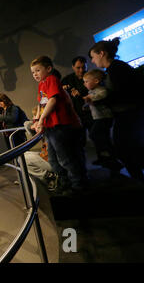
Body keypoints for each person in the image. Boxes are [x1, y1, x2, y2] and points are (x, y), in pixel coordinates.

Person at [88, 38, 144, 182]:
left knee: (127, 151)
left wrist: (98, 101)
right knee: (132, 151)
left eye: (93, 57)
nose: (93, 61)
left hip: (130, 116)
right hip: (130, 116)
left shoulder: (116, 69)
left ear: (101, 53)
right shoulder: (115, 68)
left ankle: (138, 182)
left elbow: (122, 94)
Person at [30, 55, 87, 195]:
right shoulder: (41, 84)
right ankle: (64, 182)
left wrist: (41, 119)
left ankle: (78, 184)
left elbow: (52, 101)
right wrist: (37, 120)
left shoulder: (51, 80)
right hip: (50, 128)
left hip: (59, 126)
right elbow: (41, 104)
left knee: (65, 158)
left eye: (38, 70)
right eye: (33, 72)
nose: (35, 74)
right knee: (53, 159)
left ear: (49, 69)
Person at [82, 69, 123, 170]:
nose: (84, 84)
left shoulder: (101, 89)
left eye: (87, 81)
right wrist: (87, 105)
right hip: (98, 117)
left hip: (105, 117)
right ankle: (106, 156)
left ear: (96, 81)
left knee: (94, 134)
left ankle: (113, 155)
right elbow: (91, 101)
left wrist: (90, 99)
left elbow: (102, 95)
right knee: (101, 137)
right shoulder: (91, 91)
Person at [61, 56, 93, 146]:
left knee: (97, 137)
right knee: (80, 140)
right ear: (73, 67)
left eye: (83, 67)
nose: (81, 70)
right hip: (77, 114)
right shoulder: (67, 79)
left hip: (92, 113)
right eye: (78, 68)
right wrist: (63, 89)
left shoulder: (93, 77)